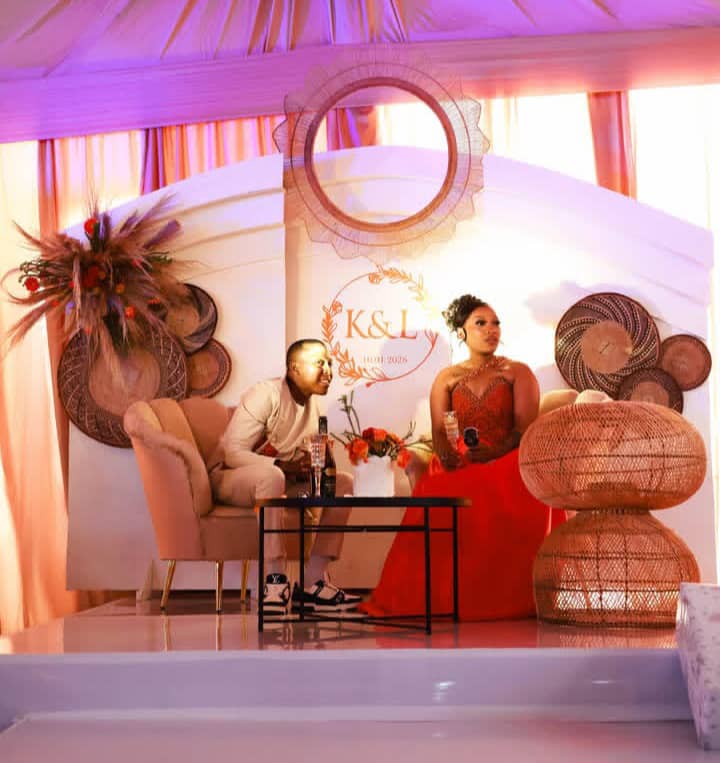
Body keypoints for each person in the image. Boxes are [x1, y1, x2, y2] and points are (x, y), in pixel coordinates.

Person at [362, 295, 563, 621]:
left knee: (506, 477)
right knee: (438, 483)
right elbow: (440, 432)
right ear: (462, 332)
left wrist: (494, 453)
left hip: (507, 457)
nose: (491, 330)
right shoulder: (448, 377)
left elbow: (524, 430)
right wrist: (448, 456)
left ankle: (502, 597)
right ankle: (435, 596)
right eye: (480, 323)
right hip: (461, 459)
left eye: (495, 323)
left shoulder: (517, 372)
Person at [210, 338, 360, 617]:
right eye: (319, 363)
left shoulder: (315, 408)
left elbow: (312, 462)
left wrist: (316, 464)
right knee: (272, 475)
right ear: (294, 368)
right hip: (230, 478)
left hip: (278, 481)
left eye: (330, 363)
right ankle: (274, 582)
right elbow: (231, 453)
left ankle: (313, 581)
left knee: (342, 483)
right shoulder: (265, 394)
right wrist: (285, 466)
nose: (328, 370)